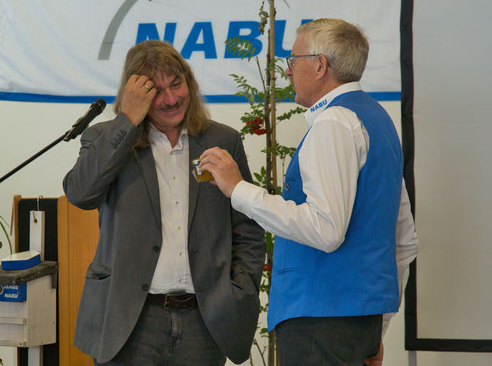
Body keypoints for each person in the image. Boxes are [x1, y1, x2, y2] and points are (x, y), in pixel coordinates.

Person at [199, 18, 419, 366]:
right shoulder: (379, 120)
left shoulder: (332, 123)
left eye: (293, 60)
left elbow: (326, 229)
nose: (288, 72)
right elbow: (404, 239)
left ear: (320, 66)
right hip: (359, 323)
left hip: (320, 325)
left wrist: (238, 188)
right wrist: (376, 329)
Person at [63, 40, 265, 365]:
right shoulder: (105, 138)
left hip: (205, 320)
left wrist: (240, 287)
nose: (171, 99)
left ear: (190, 83)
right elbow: (80, 194)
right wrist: (127, 119)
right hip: (130, 321)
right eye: (156, 91)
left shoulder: (222, 140)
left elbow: (247, 228)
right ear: (135, 95)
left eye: (176, 84)